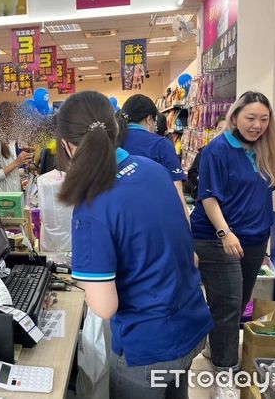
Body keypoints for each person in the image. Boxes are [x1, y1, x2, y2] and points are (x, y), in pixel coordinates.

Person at [57, 91, 213, 399]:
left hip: (145, 347)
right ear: (115, 128)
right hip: (190, 325)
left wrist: (81, 276)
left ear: (67, 146)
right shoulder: (152, 169)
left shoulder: (92, 204)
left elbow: (104, 306)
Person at [191, 92, 275, 381]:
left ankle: (215, 349)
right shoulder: (216, 150)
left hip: (254, 239)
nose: (257, 125)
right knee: (230, 305)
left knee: (236, 302)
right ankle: (226, 371)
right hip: (216, 238)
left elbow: (268, 178)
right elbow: (208, 198)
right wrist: (225, 233)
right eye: (250, 118)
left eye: (263, 119)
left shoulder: (260, 148)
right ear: (235, 117)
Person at [118, 94, 189, 220]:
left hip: (120, 218)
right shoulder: (161, 144)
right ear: (150, 119)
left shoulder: (114, 142)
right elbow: (177, 196)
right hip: (154, 218)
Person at [0, 102, 33, 193]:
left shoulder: (9, 141)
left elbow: (8, 173)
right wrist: (17, 162)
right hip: (1, 202)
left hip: (11, 198)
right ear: (4, 121)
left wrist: (19, 184)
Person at [184, 115, 227, 199]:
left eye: (227, 130)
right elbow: (192, 173)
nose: (223, 133)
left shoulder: (236, 154)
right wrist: (201, 179)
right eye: (220, 129)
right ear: (215, 130)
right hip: (206, 197)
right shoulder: (205, 151)